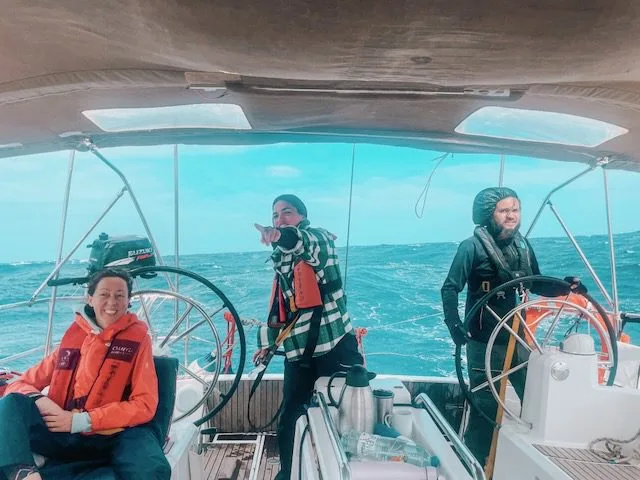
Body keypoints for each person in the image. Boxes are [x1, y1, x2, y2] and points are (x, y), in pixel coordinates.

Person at [441, 187, 585, 466]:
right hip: (483, 341)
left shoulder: (522, 245)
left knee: (532, 395)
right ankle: (472, 465)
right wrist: (454, 325)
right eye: (503, 210)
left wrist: (565, 287)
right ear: (488, 214)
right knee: (486, 406)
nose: (511, 216)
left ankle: (530, 461)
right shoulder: (470, 247)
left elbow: (535, 282)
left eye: (515, 210)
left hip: (517, 337)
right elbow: (450, 288)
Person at [0, 268, 170, 480]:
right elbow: (19, 384)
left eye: (120, 296)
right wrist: (41, 401)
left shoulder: (138, 342)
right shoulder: (73, 337)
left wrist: (80, 421)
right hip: (60, 434)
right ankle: (24, 473)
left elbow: (144, 405)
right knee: (11, 403)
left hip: (108, 437)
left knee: (152, 468)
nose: (112, 302)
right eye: (104, 294)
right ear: (90, 299)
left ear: (128, 302)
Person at [254, 194, 363, 480]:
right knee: (291, 416)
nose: (280, 219)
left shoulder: (319, 240)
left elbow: (299, 241)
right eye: (275, 215)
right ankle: (289, 472)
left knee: (344, 414)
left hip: (335, 345)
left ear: (302, 216)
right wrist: (267, 343)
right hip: (299, 352)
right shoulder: (280, 261)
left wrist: (278, 234)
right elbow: (282, 306)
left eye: (286, 212)